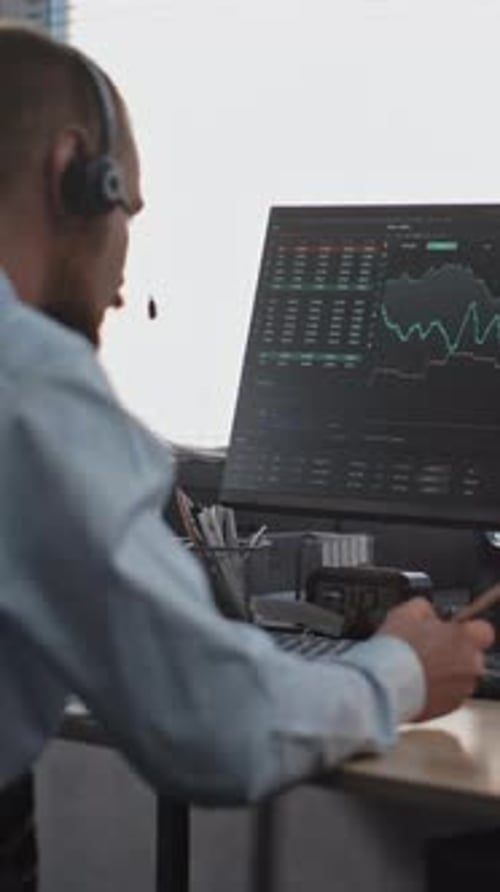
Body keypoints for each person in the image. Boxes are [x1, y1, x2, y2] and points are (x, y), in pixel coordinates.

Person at [0, 23, 494, 886]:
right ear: (74, 172)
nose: (122, 286)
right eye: (129, 215)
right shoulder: (29, 387)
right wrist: (402, 671)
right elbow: (214, 725)